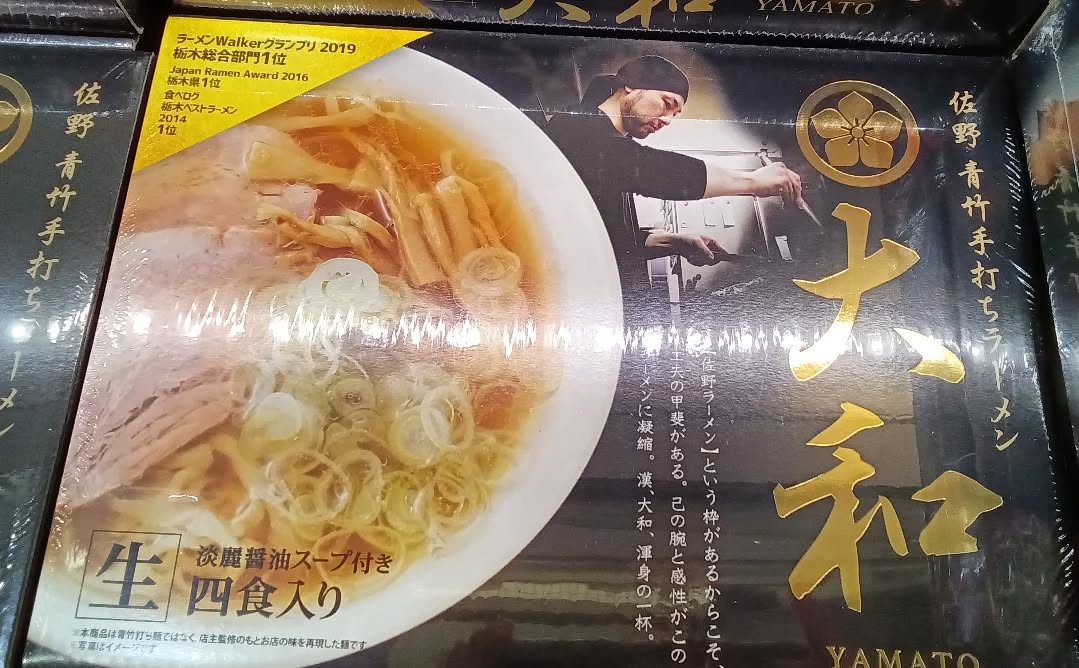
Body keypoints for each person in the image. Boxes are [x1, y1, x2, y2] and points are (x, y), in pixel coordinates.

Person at [544, 55, 805, 312]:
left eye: (675, 114)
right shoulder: (574, 125)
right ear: (631, 85)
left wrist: (673, 242)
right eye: (667, 103)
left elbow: (607, 237)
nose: (667, 120)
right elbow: (643, 167)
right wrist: (752, 181)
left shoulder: (610, 151)